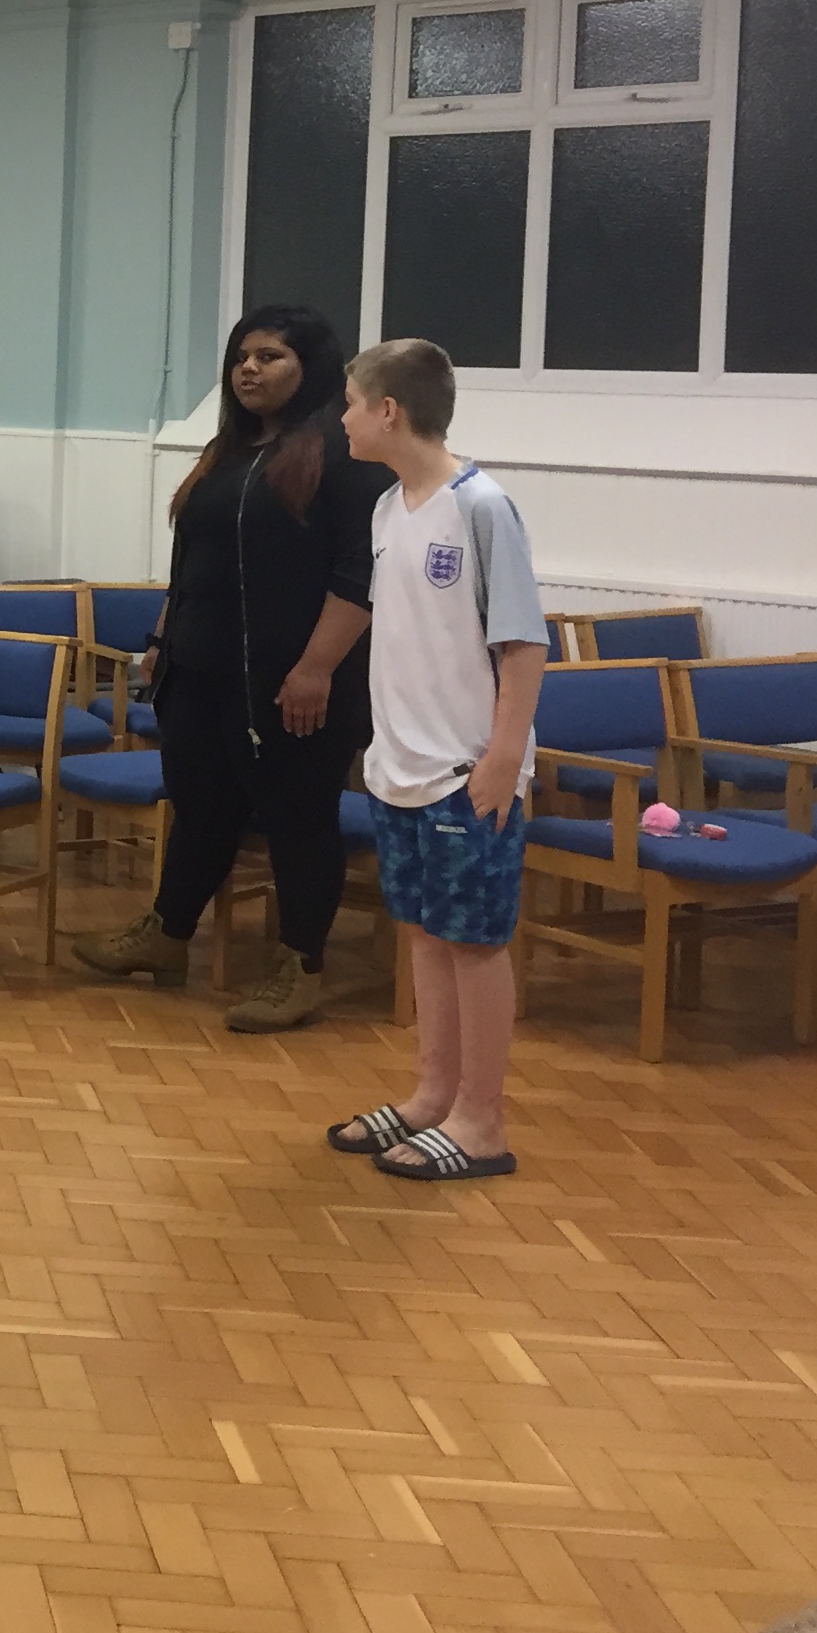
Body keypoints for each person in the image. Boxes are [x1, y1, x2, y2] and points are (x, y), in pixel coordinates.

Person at [73, 306, 389, 1030]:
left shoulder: (342, 453)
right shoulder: (231, 450)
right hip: (200, 670)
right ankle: (167, 933)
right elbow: (195, 561)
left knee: (298, 821)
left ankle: (300, 966)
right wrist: (163, 636)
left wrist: (315, 669)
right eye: (242, 356)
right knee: (201, 809)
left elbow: (361, 573)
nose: (249, 368)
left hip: (294, 683)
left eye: (270, 356)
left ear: (310, 366)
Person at [328, 338, 544, 1182]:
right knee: (423, 933)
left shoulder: (482, 506)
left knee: (473, 943)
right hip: (400, 768)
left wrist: (502, 759)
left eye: (351, 404)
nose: (343, 419)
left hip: (467, 773)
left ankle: (482, 1122)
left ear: (388, 411)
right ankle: (433, 1096)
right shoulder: (389, 509)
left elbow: (523, 645)